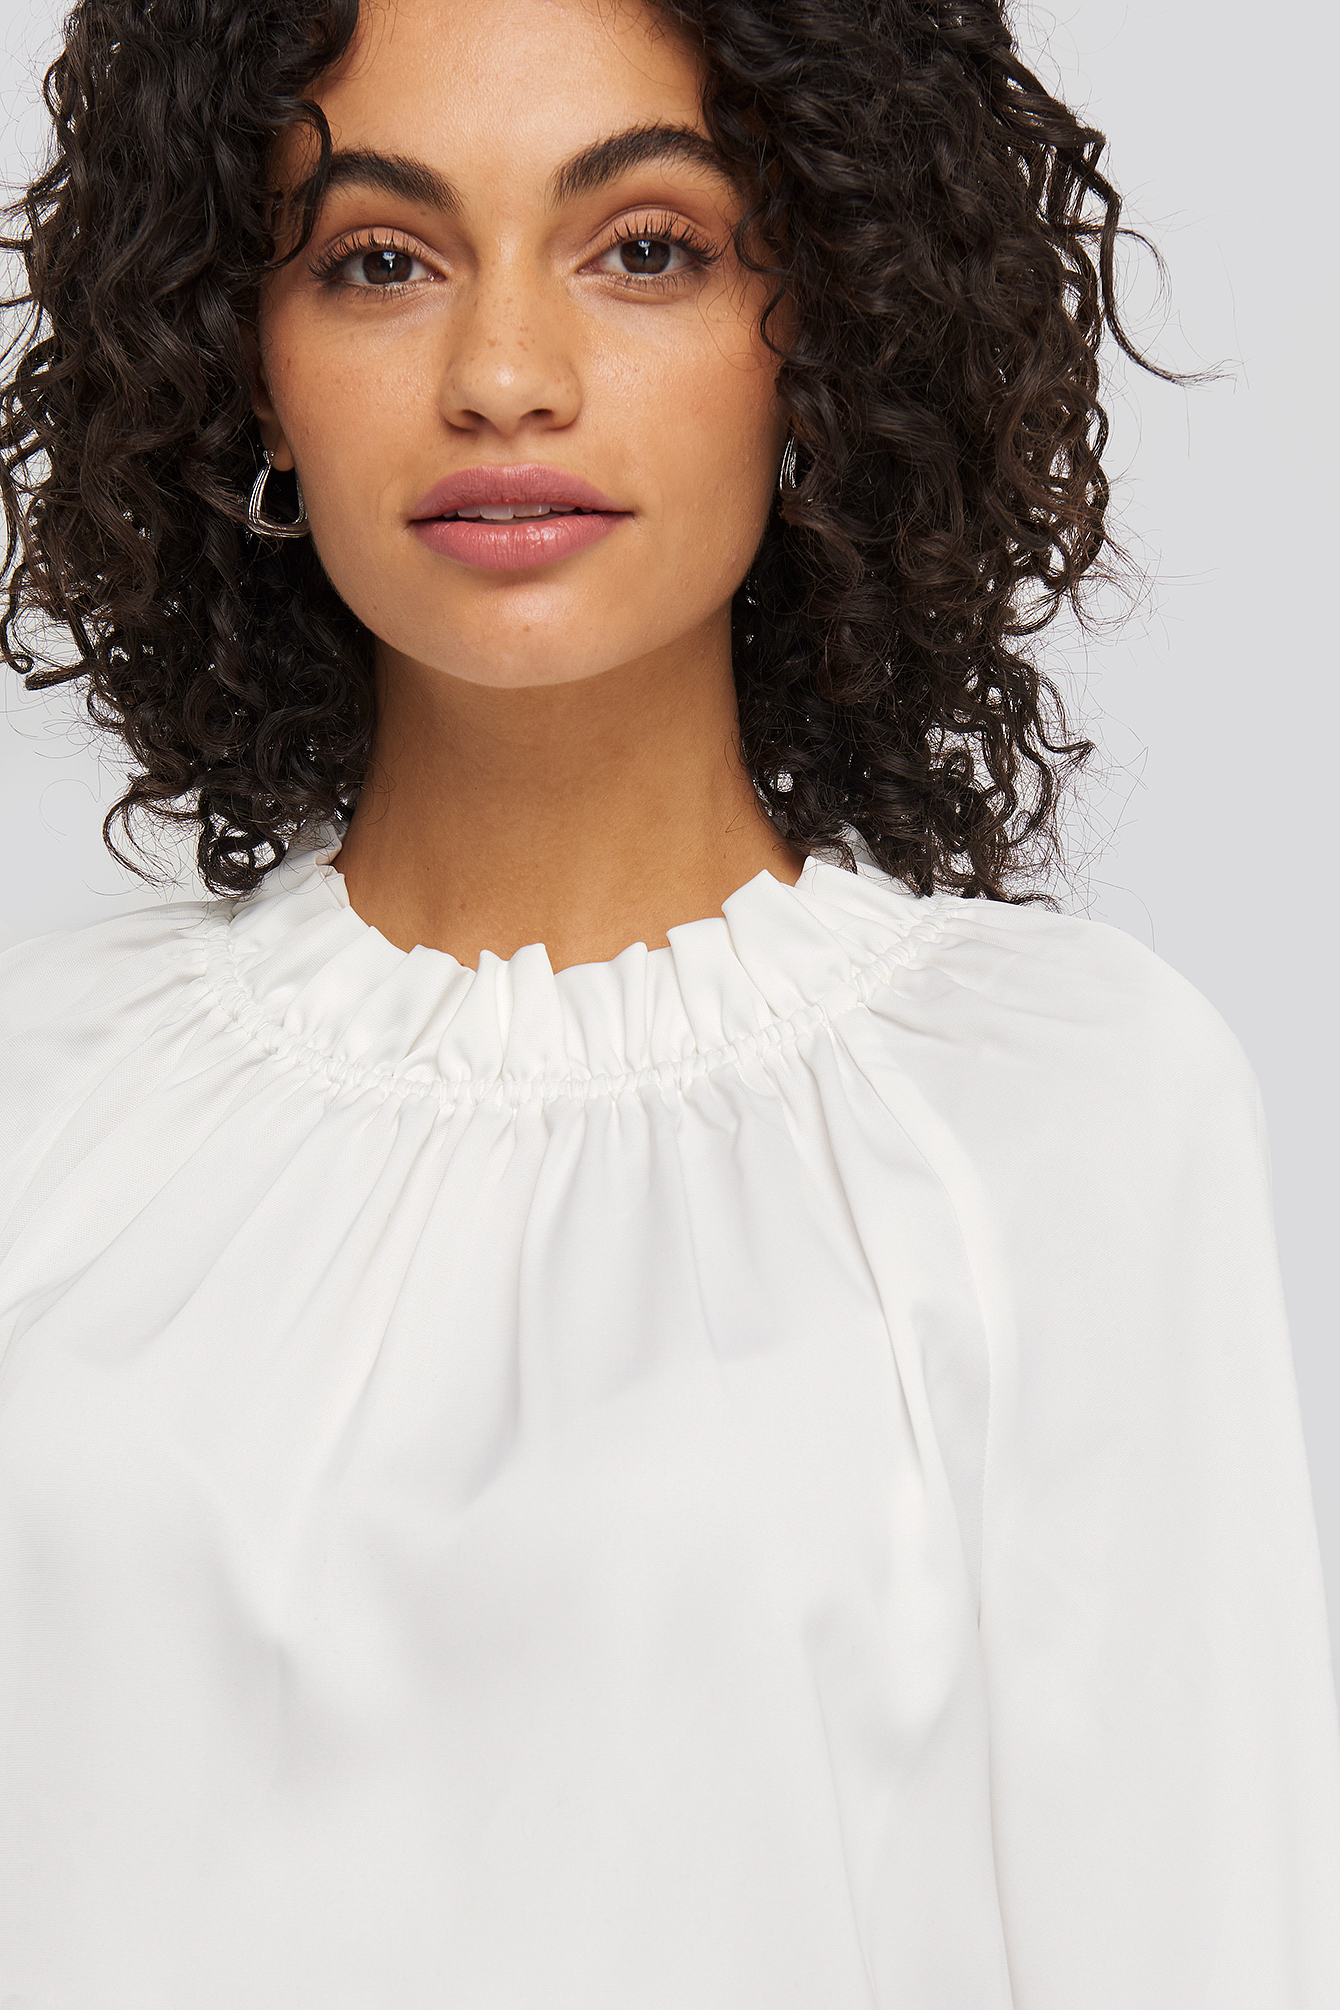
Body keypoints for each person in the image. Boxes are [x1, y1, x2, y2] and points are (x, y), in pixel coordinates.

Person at [1, 0, 1337, 2003]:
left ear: (827, 325)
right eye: (380, 261)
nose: (503, 374)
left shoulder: (1056, 1117)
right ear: (243, 366)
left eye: (645, 247)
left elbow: (1196, 1932)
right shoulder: (40, 1109)